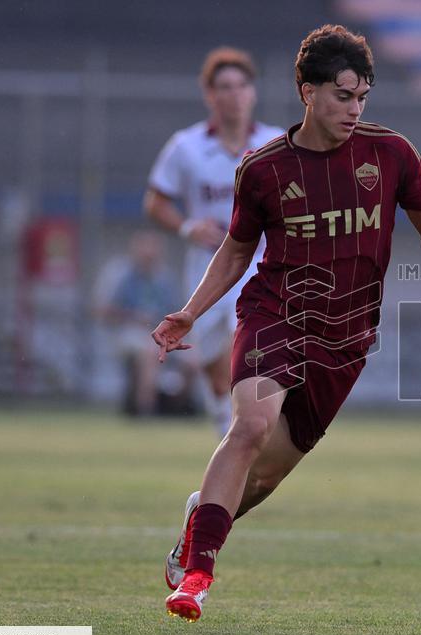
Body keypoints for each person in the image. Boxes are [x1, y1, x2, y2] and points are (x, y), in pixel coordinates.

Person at [151, 25, 421, 622]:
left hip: (347, 338)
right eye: (341, 96)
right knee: (249, 428)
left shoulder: (391, 154)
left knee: (265, 476)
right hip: (274, 313)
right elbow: (234, 250)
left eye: (362, 97)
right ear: (307, 92)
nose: (354, 109)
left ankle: (198, 528)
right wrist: (190, 312)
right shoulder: (265, 169)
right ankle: (198, 574)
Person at [144, 46, 284, 436]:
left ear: (253, 93)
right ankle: (230, 431)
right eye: (224, 86)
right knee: (216, 372)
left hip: (260, 265)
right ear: (210, 95)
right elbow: (154, 201)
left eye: (242, 85)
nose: (235, 94)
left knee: (246, 345)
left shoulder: (275, 143)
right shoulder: (186, 146)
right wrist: (187, 226)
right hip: (207, 268)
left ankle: (245, 438)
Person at [95, 231, 183, 416]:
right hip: (127, 330)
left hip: (161, 331)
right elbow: (102, 310)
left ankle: (180, 408)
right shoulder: (120, 274)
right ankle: (146, 410)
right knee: (149, 351)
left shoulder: (164, 277)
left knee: (193, 357)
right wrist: (134, 316)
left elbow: (178, 311)